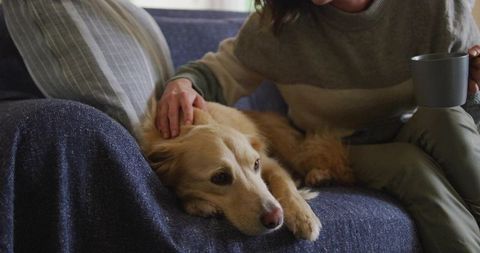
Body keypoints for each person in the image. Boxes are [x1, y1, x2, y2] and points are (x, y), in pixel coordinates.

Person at [156, 0, 480, 252]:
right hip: (335, 147)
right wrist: (183, 84)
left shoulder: (436, 7)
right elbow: (218, 72)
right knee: (411, 166)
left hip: (413, 123)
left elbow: (468, 100)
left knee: (447, 121)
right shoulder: (278, 24)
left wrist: (475, 86)